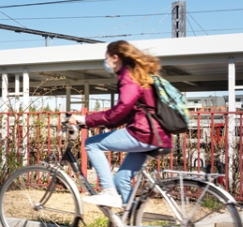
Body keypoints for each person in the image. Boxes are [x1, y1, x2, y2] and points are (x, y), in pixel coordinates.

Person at [70, 40, 171, 209]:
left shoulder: (128, 76)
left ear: (115, 58)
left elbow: (121, 108)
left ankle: (109, 193)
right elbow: (127, 113)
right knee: (121, 179)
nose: (106, 63)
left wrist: (85, 119)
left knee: (91, 144)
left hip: (144, 133)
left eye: (107, 58)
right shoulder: (138, 75)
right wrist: (93, 123)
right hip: (156, 135)